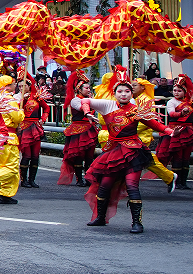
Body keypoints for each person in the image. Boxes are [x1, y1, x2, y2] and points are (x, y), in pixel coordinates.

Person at [83, 75, 172, 233]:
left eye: (127, 91)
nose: (123, 94)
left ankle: (137, 223)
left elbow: (156, 124)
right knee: (104, 186)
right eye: (120, 91)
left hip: (133, 152)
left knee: (132, 186)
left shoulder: (136, 111)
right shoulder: (108, 107)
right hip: (113, 152)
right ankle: (101, 217)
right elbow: (85, 101)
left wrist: (171, 131)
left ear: (132, 94)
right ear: (114, 93)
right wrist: (86, 112)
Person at [58, 72, 100, 188]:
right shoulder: (75, 100)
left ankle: (88, 177)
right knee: (79, 155)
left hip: (89, 130)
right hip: (78, 130)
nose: (88, 89)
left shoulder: (91, 99)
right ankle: (79, 178)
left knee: (89, 156)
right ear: (79, 89)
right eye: (86, 88)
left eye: (89, 87)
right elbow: (82, 107)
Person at [0, 75, 24, 205]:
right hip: (9, 137)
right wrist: (21, 112)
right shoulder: (9, 99)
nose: (16, 86)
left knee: (7, 167)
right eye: (14, 84)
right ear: (7, 86)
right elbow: (17, 118)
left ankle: (5, 193)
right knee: (11, 168)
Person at [158, 74, 193, 192]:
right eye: (174, 90)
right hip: (176, 131)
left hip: (188, 131)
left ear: (185, 92)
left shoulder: (190, 102)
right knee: (177, 157)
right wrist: (181, 113)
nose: (176, 92)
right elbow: (171, 114)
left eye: (179, 90)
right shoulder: (171, 102)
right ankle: (176, 182)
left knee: (186, 157)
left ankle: (184, 181)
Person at [16, 67, 46, 189]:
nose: (21, 88)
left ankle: (32, 180)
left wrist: (43, 119)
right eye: (20, 86)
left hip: (36, 127)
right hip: (24, 128)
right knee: (26, 155)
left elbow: (47, 108)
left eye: (24, 85)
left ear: (29, 85)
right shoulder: (17, 98)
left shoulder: (37, 97)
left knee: (35, 156)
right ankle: (24, 180)